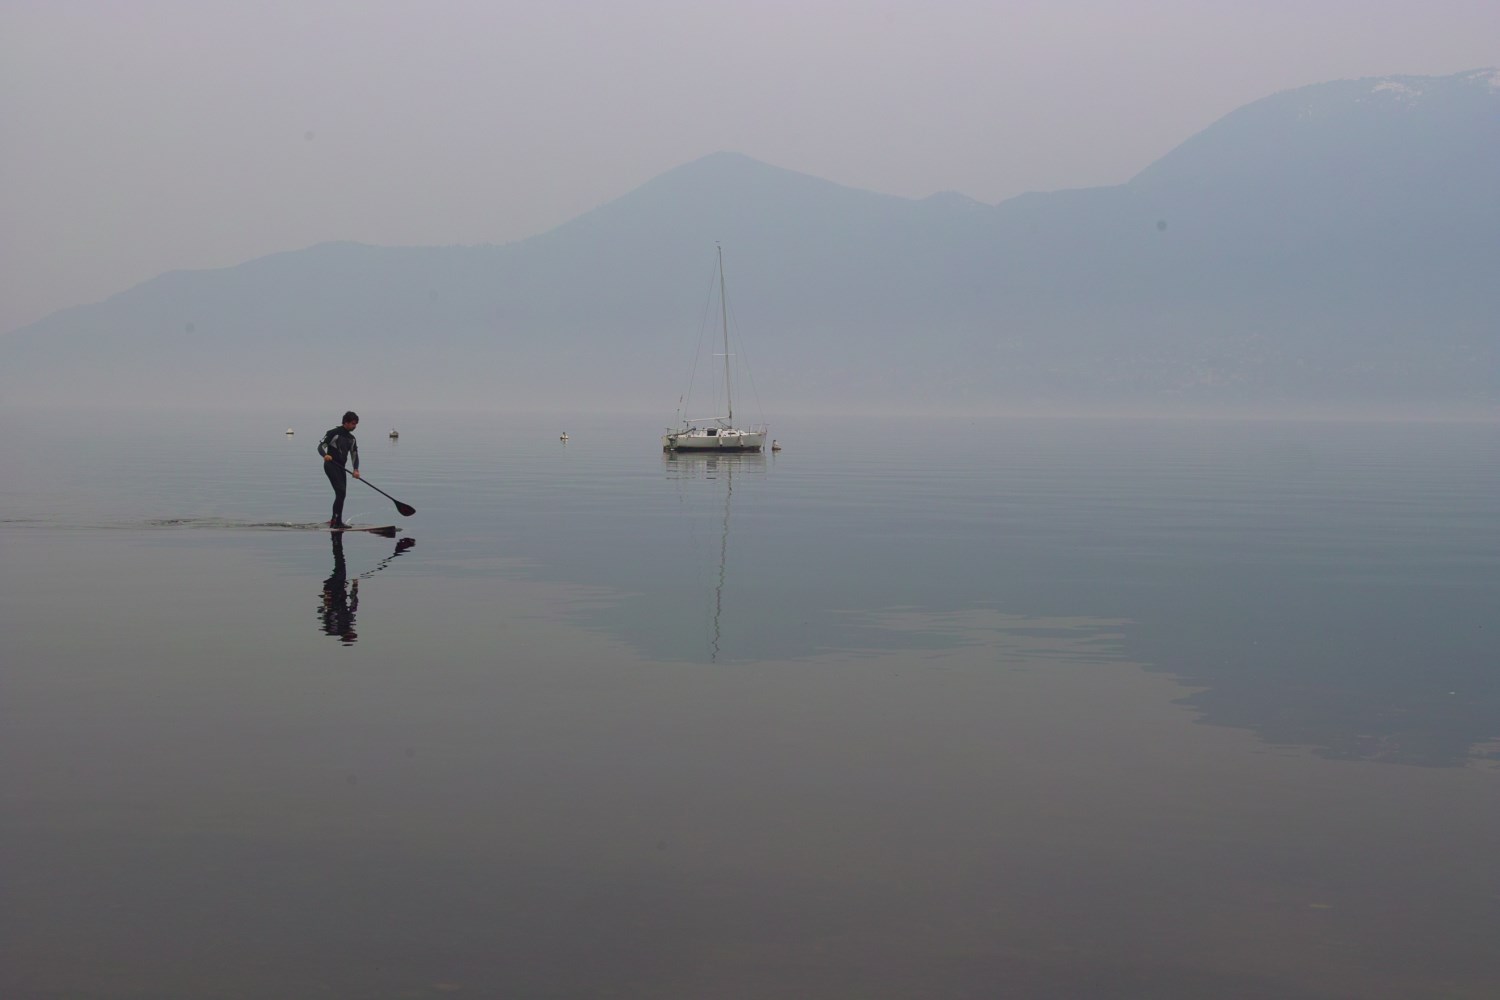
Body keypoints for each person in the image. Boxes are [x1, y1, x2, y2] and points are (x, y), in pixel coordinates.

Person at [317, 410, 362, 528]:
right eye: (353, 423)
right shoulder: (333, 433)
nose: (355, 426)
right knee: (341, 491)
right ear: (345, 422)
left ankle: (335, 519)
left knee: (342, 494)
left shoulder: (352, 438)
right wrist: (324, 455)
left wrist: (356, 469)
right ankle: (336, 522)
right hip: (331, 465)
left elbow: (354, 455)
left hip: (341, 468)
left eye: (356, 424)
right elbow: (321, 446)